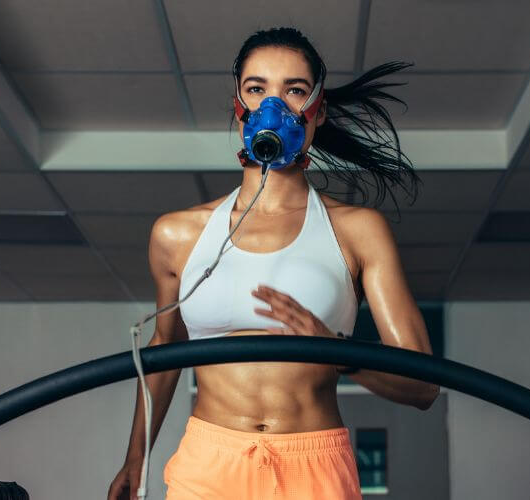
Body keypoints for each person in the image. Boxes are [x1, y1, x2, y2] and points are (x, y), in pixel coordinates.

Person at [107, 27, 439, 500]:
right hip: (209, 463)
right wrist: (135, 459)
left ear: (317, 111)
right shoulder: (177, 235)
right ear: (238, 104)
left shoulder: (358, 230)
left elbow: (423, 387)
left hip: (314, 465)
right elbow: (165, 351)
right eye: (257, 89)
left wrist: (336, 352)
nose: (273, 106)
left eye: (295, 90)